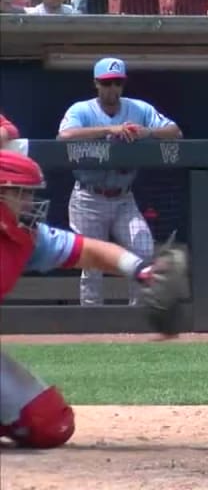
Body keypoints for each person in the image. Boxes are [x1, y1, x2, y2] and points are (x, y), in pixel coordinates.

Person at [0, 147, 165, 448]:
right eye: (21, 193)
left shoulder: (26, 236)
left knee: (51, 424)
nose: (30, 203)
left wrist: (141, 270)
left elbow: (87, 250)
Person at [57, 57, 182, 305]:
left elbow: (175, 132)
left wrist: (149, 132)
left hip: (124, 197)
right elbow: (65, 136)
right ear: (96, 83)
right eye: (106, 83)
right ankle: (92, 328)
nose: (112, 88)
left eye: (117, 83)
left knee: (144, 249)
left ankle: (137, 318)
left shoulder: (138, 109)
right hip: (88, 198)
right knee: (92, 264)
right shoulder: (82, 110)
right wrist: (108, 131)